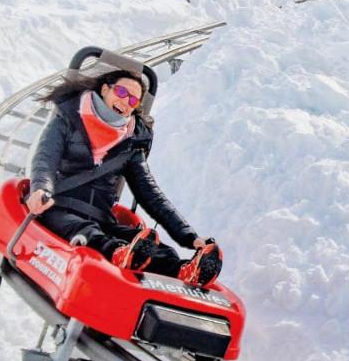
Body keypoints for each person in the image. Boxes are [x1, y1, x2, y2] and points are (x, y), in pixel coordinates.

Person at [25, 69, 221, 287]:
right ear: (105, 89)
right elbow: (45, 158)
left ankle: (183, 270)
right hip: (58, 208)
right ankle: (119, 254)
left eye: (133, 99)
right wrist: (41, 188)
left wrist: (189, 236)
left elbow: (151, 195)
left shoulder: (132, 143)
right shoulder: (68, 117)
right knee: (87, 232)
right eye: (121, 91)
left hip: (101, 218)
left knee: (159, 250)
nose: (125, 102)